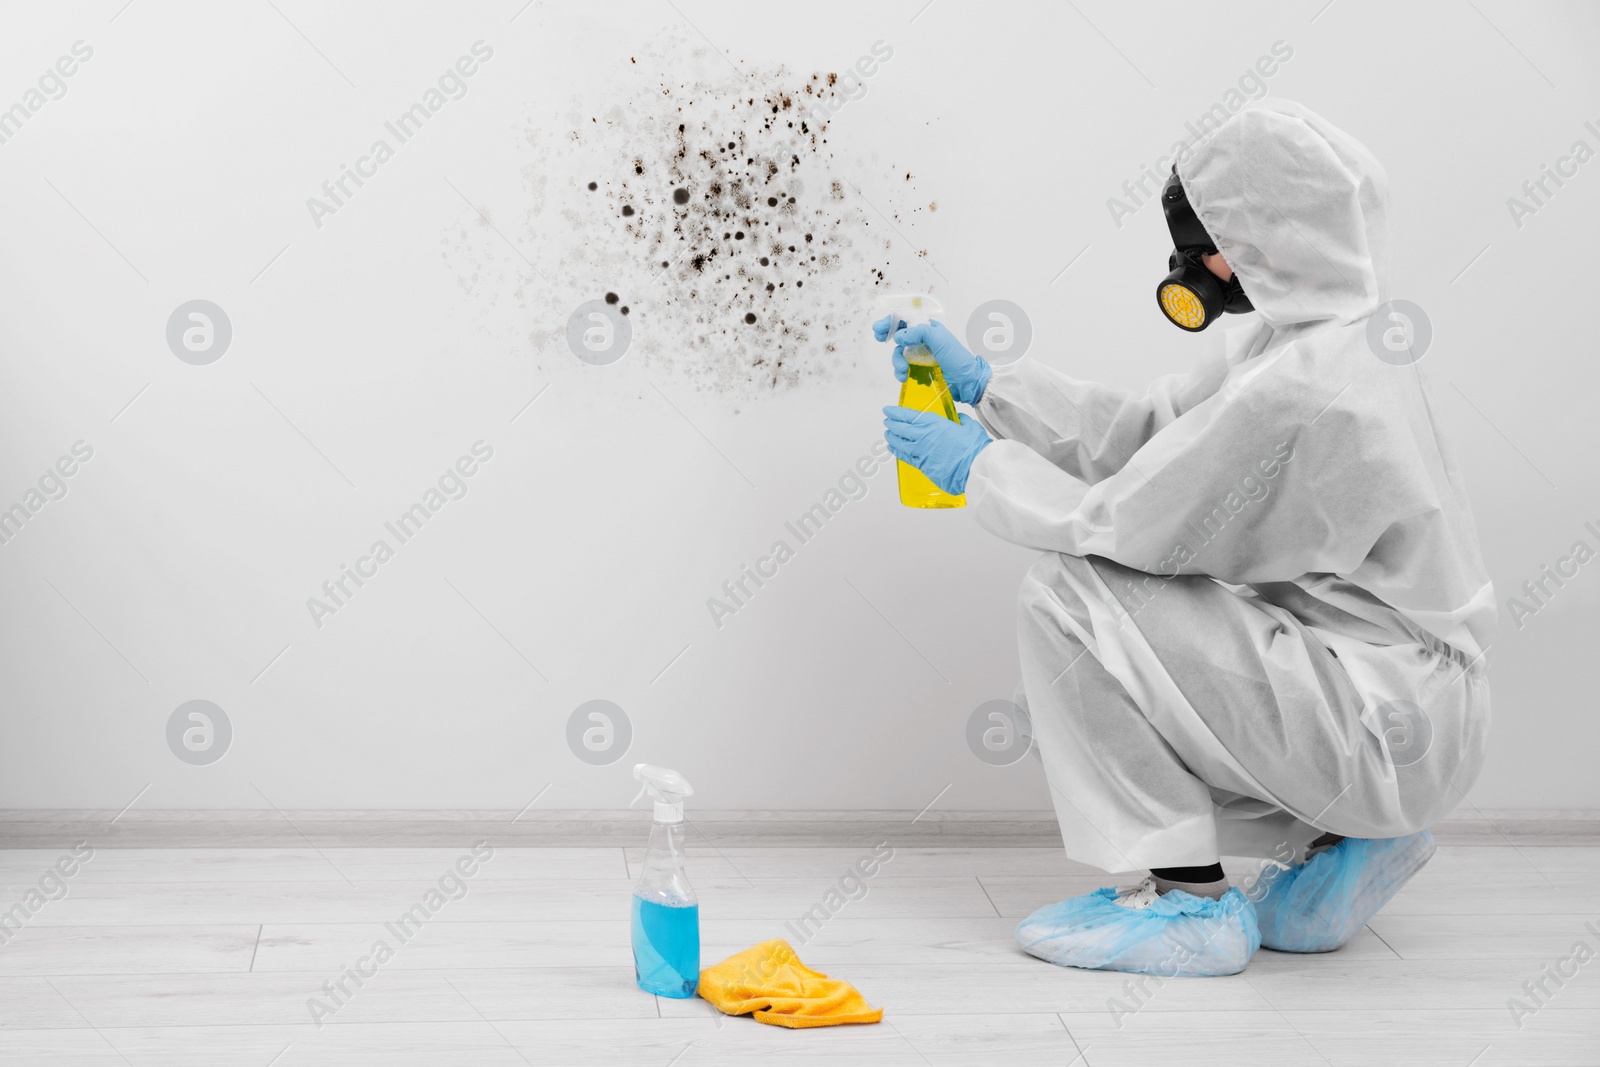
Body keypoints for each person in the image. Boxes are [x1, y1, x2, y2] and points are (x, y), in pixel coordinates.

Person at [876, 100, 1493, 977]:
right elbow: (1152, 433)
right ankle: (1355, 842)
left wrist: (977, 466)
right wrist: (989, 385)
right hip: (1417, 713)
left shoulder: (1306, 386)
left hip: (1372, 721)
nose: (1194, 266)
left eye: (1209, 241)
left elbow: (1123, 521)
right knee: (1180, 617)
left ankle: (1188, 901)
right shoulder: (1325, 340)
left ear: (1273, 239)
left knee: (1072, 593)